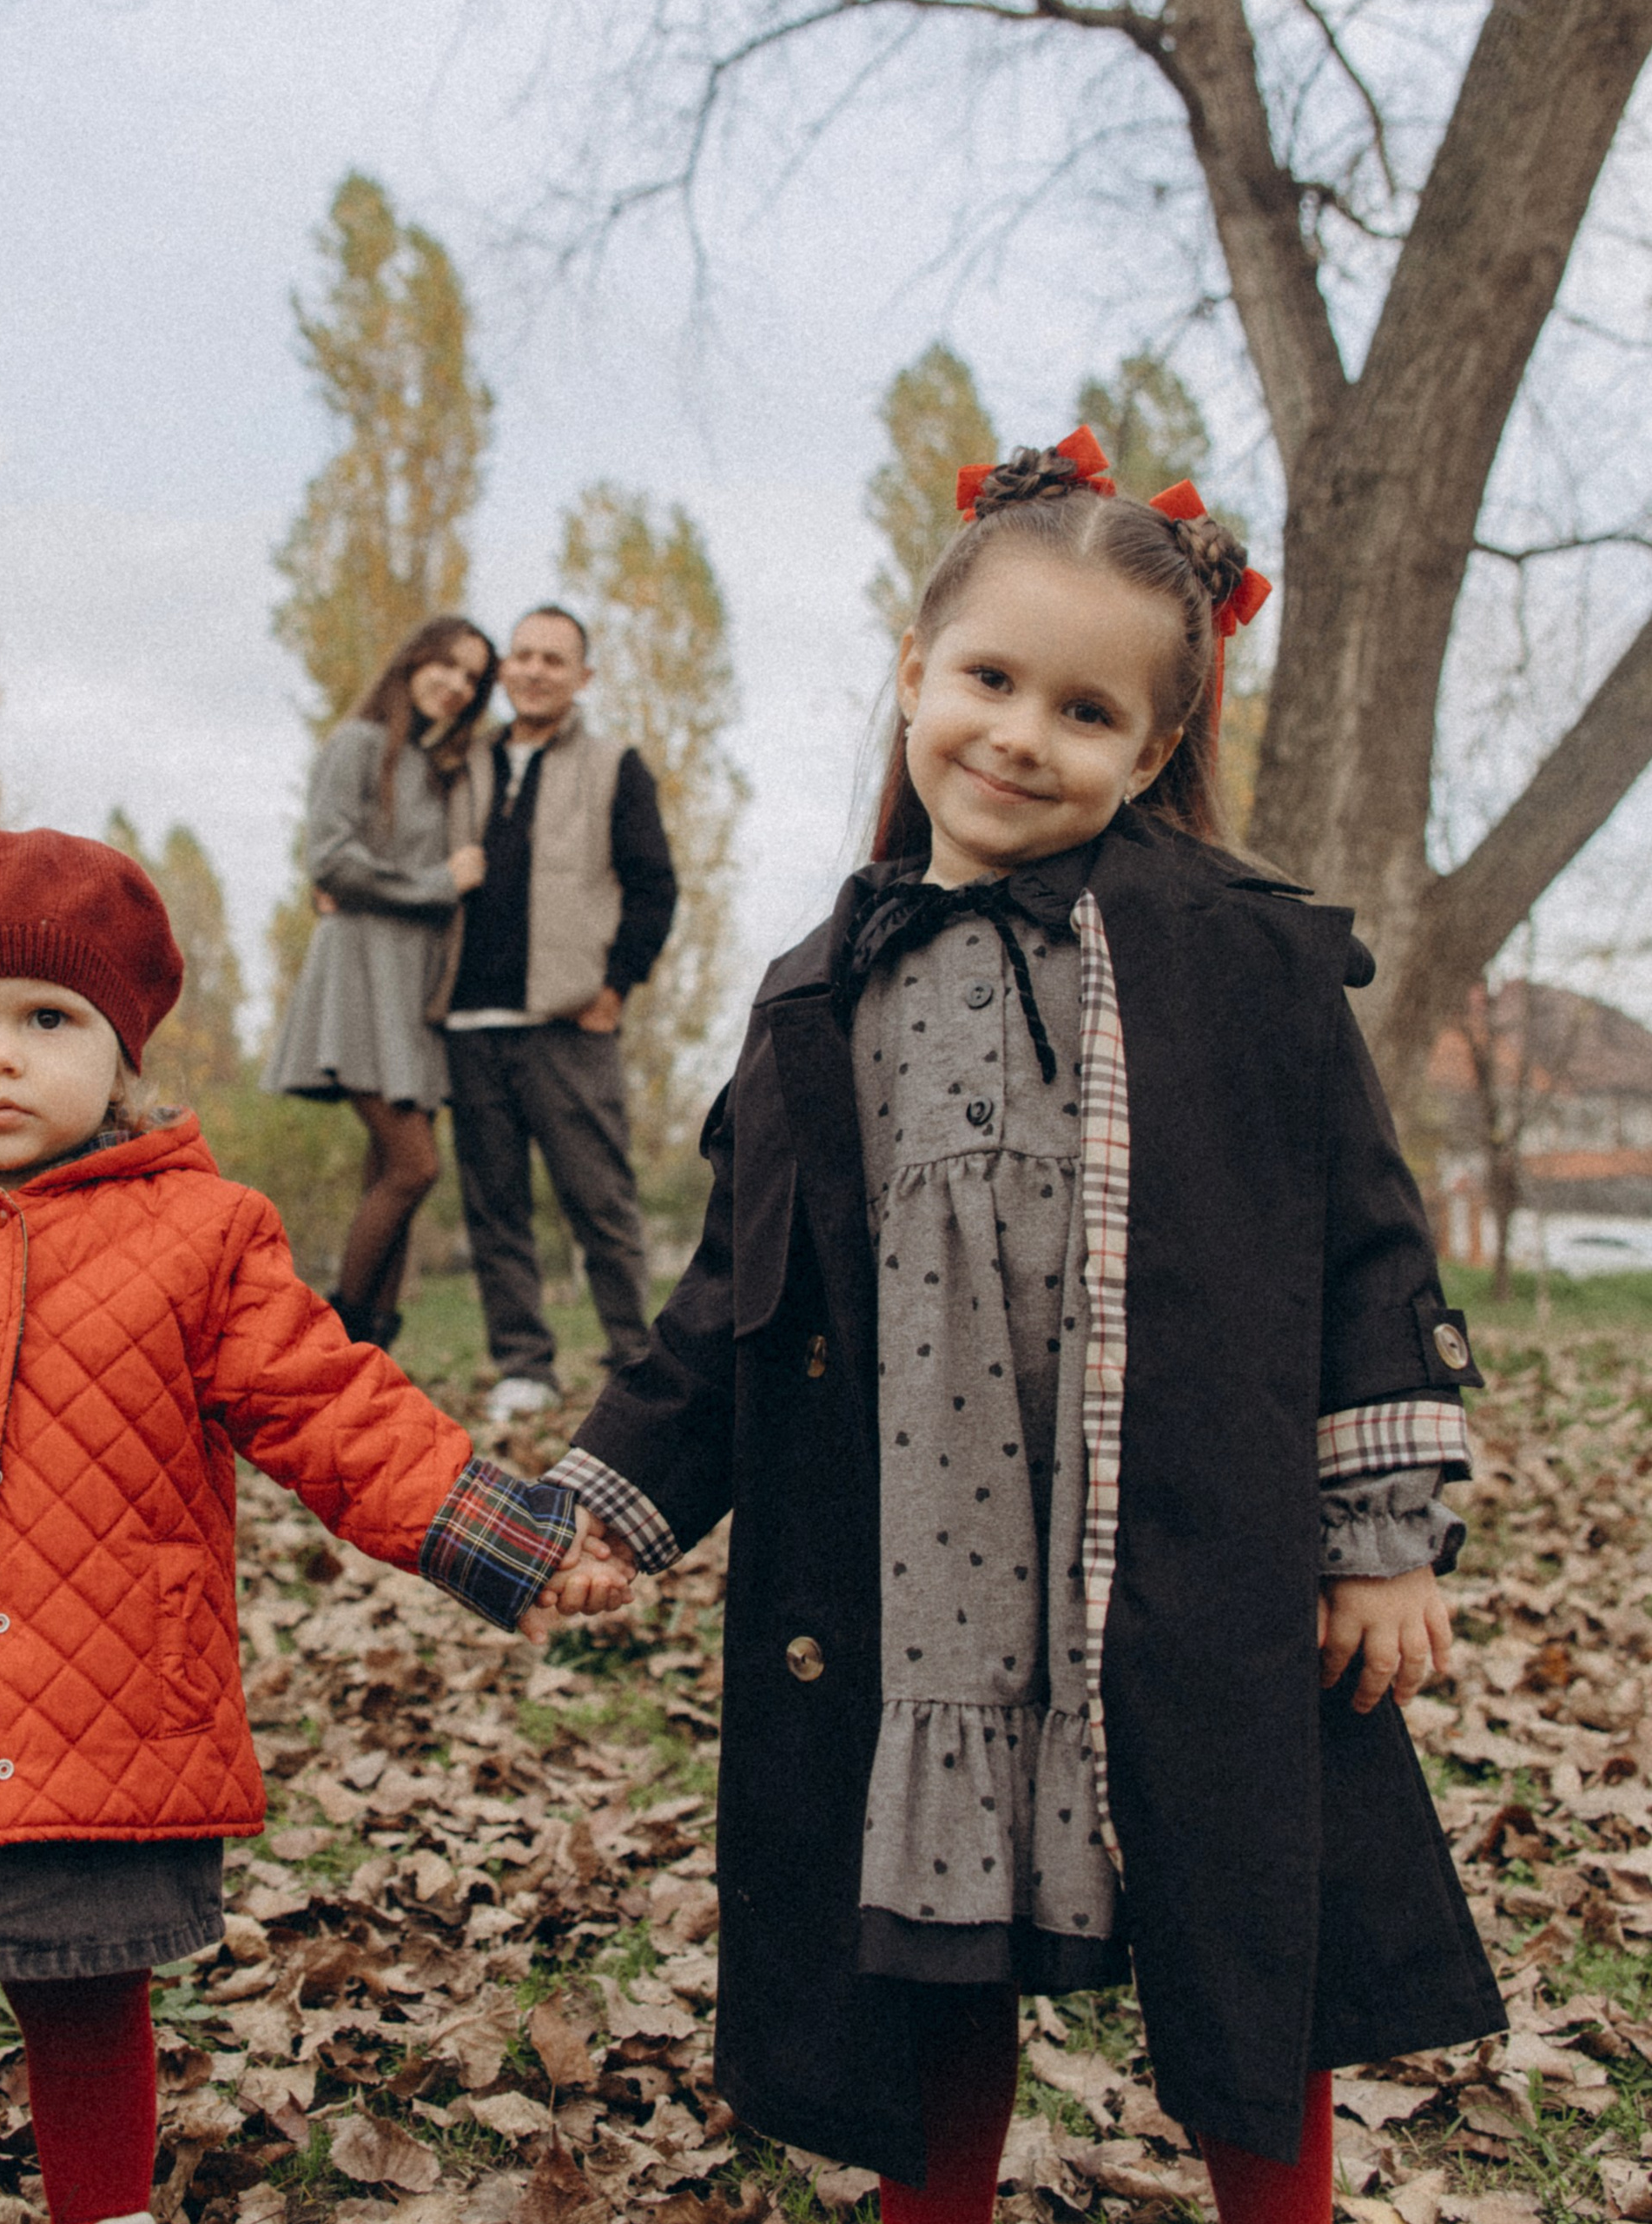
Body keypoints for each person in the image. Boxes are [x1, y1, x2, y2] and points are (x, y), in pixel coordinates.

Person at [545, 433, 1502, 2221]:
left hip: (1185, 1553)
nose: (1015, 734)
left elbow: (1360, 1239)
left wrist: (1374, 1539)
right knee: (924, 1954)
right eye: (985, 678)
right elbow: (731, 1300)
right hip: (923, 1576)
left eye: (1081, 711)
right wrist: (609, 1493)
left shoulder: (1237, 955)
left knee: (1242, 1932)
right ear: (912, 675)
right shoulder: (817, 988)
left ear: (1150, 752)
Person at [0, 828, 627, 2224]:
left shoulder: (204, 1237)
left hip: (109, 1719)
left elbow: (339, 1413)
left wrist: (513, 1539)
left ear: (122, 1053)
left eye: (47, 1019)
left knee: (88, 2012)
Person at [444, 605, 678, 1426]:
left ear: (582, 677)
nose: (535, 669)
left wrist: (615, 988)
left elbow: (655, 886)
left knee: (599, 1200)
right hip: (468, 1023)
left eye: (555, 658)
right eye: (523, 655)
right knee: (494, 1204)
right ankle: (524, 1367)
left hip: (567, 1025)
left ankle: (632, 1364)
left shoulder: (617, 766)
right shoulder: (462, 763)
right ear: (504, 671)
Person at [265, 617, 499, 1352]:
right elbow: (331, 860)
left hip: (413, 988)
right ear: (413, 659)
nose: (457, 686)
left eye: (472, 678)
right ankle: (332, 1337)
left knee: (386, 1173)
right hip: (362, 972)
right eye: (448, 666)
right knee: (413, 1165)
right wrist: (440, 881)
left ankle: (371, 1360)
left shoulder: (440, 765)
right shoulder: (358, 743)